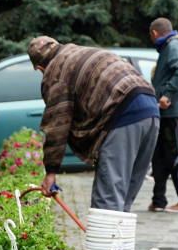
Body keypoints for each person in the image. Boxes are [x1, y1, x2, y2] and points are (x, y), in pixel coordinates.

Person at [28, 36, 160, 213]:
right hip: (151, 110)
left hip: (122, 116)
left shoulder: (55, 71)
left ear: (40, 67)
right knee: (124, 197)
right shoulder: (82, 51)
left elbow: (57, 125)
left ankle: (106, 240)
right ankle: (120, 240)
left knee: (107, 203)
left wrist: (50, 172)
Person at [147, 17, 178, 214]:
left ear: (155, 33)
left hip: (173, 112)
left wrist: (167, 95)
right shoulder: (169, 47)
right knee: (159, 156)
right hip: (166, 113)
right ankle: (159, 199)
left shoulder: (174, 45)